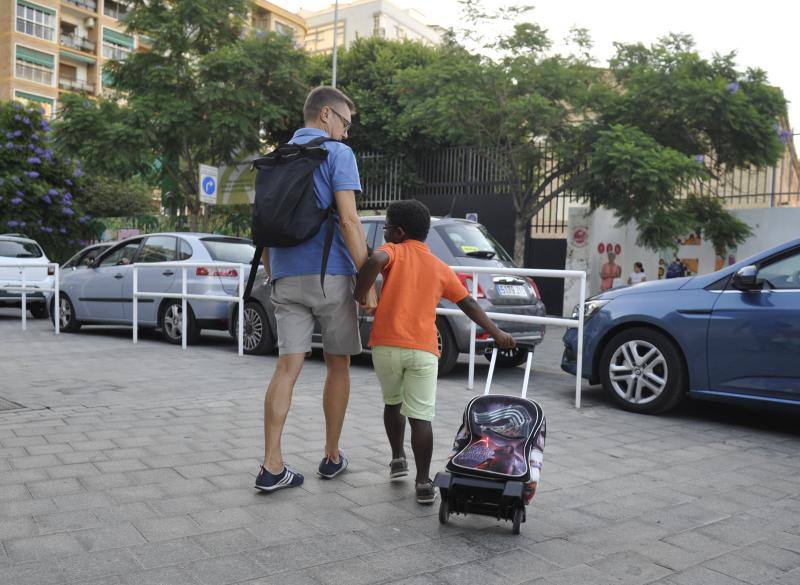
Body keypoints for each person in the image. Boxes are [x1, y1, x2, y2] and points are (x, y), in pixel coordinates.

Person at [255, 86, 377, 492]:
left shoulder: (276, 158)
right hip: (331, 277)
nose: (346, 132)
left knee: (287, 367)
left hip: (285, 275)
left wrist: (273, 272)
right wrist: (367, 279)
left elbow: (265, 222)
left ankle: (272, 465)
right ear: (326, 115)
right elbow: (349, 220)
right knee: (338, 363)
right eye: (345, 122)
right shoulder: (337, 155)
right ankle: (331, 454)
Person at [354, 200, 516, 505]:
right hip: (424, 350)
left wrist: (359, 293)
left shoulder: (394, 251)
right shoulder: (440, 267)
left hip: (386, 346)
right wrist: (496, 332)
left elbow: (374, 260)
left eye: (387, 226)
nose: (385, 230)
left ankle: (397, 458)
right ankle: (423, 482)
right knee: (420, 417)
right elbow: (467, 303)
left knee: (392, 403)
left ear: (399, 232)